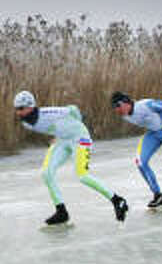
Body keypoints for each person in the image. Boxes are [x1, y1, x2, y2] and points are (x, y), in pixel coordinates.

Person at [14, 91, 128, 226]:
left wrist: (78, 124)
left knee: (82, 176)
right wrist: (57, 135)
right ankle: (61, 211)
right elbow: (54, 127)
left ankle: (117, 200)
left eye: (21, 109)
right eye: (16, 109)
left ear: (31, 106)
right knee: (46, 173)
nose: (18, 113)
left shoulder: (48, 113)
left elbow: (72, 109)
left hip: (80, 138)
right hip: (62, 140)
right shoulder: (26, 123)